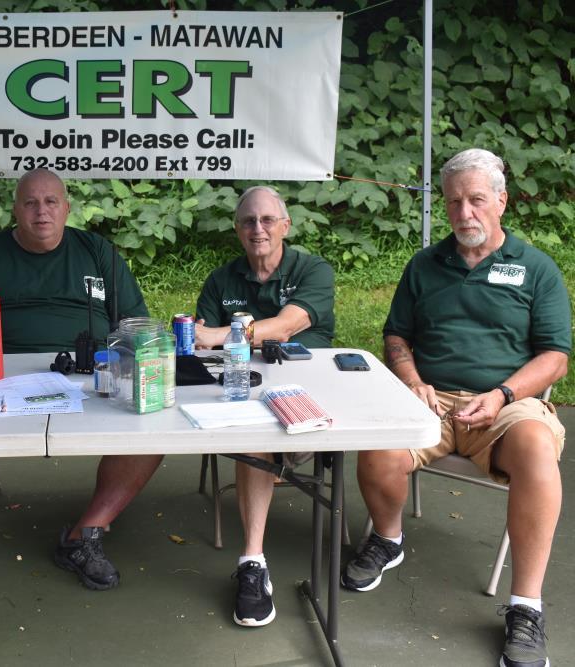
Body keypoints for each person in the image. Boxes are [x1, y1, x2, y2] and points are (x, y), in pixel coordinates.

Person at [342, 148, 569, 667]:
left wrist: (504, 395)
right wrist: (413, 379)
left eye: (477, 201)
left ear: (502, 202)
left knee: (537, 448)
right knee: (377, 442)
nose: (465, 213)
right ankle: (388, 538)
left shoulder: (536, 268)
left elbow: (555, 357)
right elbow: (396, 334)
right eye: (454, 202)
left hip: (508, 402)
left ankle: (526, 607)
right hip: (433, 395)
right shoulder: (425, 264)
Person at [0, 168, 154, 590]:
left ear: (66, 208)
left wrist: (144, 371)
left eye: (51, 202)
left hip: (87, 376)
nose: (41, 212)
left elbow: (137, 324)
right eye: (30, 202)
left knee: (152, 424)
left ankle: (86, 535)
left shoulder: (97, 251)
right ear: (15, 209)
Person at [193, 185, 335, 628]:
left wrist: (225, 335)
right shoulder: (221, 279)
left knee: (262, 438)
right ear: (237, 230)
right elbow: (198, 340)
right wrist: (212, 339)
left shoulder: (313, 269)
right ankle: (253, 563)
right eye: (249, 221)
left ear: (286, 226)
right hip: (238, 390)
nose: (259, 229)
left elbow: (290, 324)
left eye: (268, 220)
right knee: (255, 437)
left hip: (306, 392)